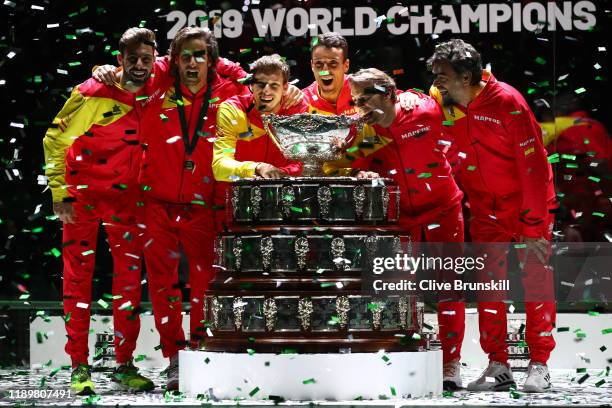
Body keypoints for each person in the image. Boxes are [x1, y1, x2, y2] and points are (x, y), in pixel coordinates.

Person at [428, 39, 557, 393]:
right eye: (435, 75)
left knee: (537, 283)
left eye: (443, 76)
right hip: (486, 211)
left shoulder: (508, 102)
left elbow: (533, 166)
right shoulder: (446, 101)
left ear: (466, 76)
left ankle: (540, 364)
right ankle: (498, 363)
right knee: (489, 287)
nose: (436, 82)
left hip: (528, 207)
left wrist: (533, 224)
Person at [42, 27, 156, 395]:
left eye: (146, 59)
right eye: (132, 59)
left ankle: (124, 364)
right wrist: (60, 192)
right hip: (83, 196)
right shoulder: (92, 93)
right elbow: (54, 139)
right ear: (119, 59)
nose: (139, 65)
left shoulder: (157, 89)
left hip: (127, 199)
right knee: (77, 279)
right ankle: (79, 366)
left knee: (128, 282)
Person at [346, 68, 466, 391]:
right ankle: (405, 357)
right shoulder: (362, 132)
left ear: (388, 93)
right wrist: (360, 173)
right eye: (355, 100)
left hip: (444, 209)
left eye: (365, 97)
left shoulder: (423, 110)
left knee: (449, 289)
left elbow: (454, 120)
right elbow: (350, 161)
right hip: (401, 220)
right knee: (398, 292)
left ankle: (451, 364)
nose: (360, 106)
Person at [213, 54, 306, 181]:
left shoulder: (297, 110)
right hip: (239, 196)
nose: (266, 91)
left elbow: (304, 163)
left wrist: (278, 173)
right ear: (251, 85)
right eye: (261, 84)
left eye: (274, 85)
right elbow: (220, 167)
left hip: (285, 196)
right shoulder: (232, 109)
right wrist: (257, 168)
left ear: (285, 88)